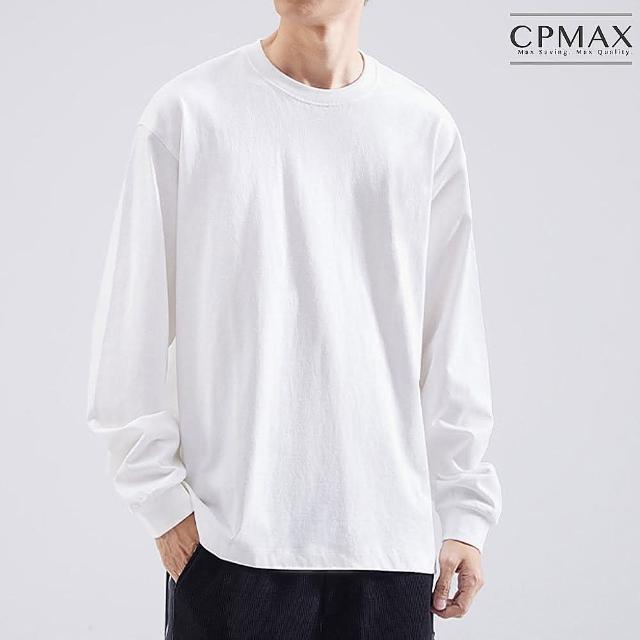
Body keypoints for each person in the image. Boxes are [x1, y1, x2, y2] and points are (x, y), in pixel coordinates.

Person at [86, 1, 502, 637]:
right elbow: (129, 333)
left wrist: (465, 512)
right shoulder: (190, 115)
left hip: (388, 548)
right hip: (233, 549)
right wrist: (164, 509)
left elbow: (451, 339)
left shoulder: (421, 129)